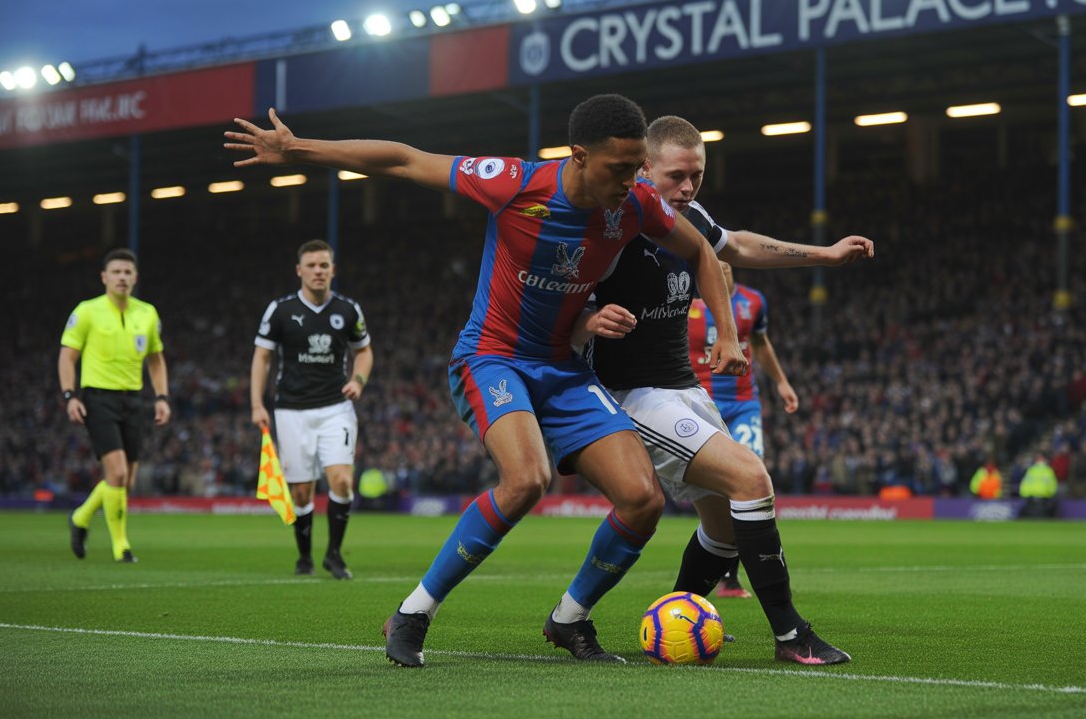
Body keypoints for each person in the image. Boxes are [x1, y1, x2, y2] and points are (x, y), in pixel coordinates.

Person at [225, 95, 746, 667]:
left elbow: (699, 248)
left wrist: (727, 333)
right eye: (619, 169)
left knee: (643, 499)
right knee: (526, 480)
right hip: (493, 358)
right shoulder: (515, 183)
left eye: (635, 168)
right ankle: (414, 613)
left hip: (564, 368)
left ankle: (569, 620)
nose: (631, 181)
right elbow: (402, 158)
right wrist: (296, 148)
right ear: (578, 156)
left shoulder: (638, 203)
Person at [577, 114, 873, 665]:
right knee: (750, 477)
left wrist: (824, 255)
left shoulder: (687, 217)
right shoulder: (610, 221)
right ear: (643, 168)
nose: (688, 188)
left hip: (682, 386)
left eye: (698, 176)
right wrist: (586, 323)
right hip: (629, 391)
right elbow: (554, 293)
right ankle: (791, 634)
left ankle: (672, 617)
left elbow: (734, 245)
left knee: (725, 530)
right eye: (677, 176)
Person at [251, 239, 373, 580]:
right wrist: (257, 404)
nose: (318, 271)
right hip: (291, 410)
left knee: (342, 480)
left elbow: (364, 351)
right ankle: (304, 555)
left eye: (324, 265)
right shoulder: (281, 310)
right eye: (312, 265)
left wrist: (358, 380)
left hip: (336, 408)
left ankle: (334, 554)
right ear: (299, 270)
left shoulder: (348, 310)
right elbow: (262, 356)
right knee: (301, 491)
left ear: (333, 270)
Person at [687, 261, 798, 599]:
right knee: (722, 488)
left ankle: (732, 578)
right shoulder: (688, 308)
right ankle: (724, 571)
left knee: (751, 478)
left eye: (725, 266)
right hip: (704, 402)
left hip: (745, 402)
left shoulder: (753, 301)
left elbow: (761, 344)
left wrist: (781, 383)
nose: (719, 271)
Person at [61, 248, 170, 563]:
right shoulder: (87, 311)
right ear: (104, 277)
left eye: (127, 272)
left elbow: (156, 360)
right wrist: (70, 396)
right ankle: (121, 546)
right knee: (118, 472)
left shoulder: (147, 313)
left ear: (135, 278)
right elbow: (67, 357)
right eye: (116, 272)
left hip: (133, 399)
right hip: (98, 397)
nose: (122, 277)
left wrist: (162, 398)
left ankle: (80, 517)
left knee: (126, 480)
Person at [1018, 452, 1059, 518]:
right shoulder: (1047, 470)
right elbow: (1053, 487)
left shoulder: (1032, 470)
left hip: (1035, 499)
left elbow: (1024, 484)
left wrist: (1024, 494)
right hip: (1040, 499)